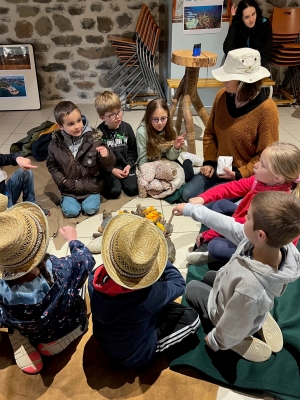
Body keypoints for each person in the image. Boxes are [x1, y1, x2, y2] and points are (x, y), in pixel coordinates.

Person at [173, 191, 300, 362]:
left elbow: (233, 321)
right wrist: (190, 210)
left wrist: (216, 340)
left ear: (261, 235)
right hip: (243, 295)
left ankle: (236, 339)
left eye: (247, 218)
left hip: (232, 315)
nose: (242, 221)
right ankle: (259, 316)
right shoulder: (275, 246)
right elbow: (226, 224)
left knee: (192, 288)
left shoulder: (250, 288)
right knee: (212, 276)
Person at [88, 213, 200, 368]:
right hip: (134, 355)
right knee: (192, 319)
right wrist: (160, 260)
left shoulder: (94, 277)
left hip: (107, 339)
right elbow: (179, 284)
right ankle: (149, 351)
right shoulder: (151, 295)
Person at [0, 194, 95, 374]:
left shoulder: (2, 289)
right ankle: (56, 342)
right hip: (61, 327)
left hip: (27, 328)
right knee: (82, 287)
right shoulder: (61, 270)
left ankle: (19, 336)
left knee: (10, 318)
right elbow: (86, 261)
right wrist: (73, 240)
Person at [181, 48, 279, 202]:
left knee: (208, 204)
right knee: (187, 194)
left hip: (241, 175)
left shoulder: (267, 109)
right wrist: (208, 162)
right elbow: (210, 133)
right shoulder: (221, 96)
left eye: (229, 77)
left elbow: (266, 155)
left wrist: (240, 173)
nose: (223, 80)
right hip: (217, 167)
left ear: (244, 82)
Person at [186, 142, 300, 265]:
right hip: (248, 223)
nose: (255, 165)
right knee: (220, 204)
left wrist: (210, 234)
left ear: (277, 178)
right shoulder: (260, 180)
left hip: (257, 243)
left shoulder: (273, 204)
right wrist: (203, 198)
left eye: (262, 165)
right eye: (259, 160)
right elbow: (231, 187)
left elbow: (243, 225)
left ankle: (221, 252)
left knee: (215, 245)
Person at [47, 101, 115, 218]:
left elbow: (109, 164)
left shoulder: (94, 139)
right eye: (71, 124)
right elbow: (52, 165)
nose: (78, 126)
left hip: (91, 187)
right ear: (60, 126)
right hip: (69, 188)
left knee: (90, 209)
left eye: (79, 120)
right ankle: (67, 200)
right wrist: (62, 181)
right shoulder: (54, 145)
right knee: (71, 212)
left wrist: (107, 154)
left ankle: (93, 198)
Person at [136, 98, 202, 181]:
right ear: (149, 118)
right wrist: (147, 174)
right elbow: (143, 161)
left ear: (168, 117)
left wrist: (176, 147)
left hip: (167, 161)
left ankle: (188, 161)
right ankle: (192, 169)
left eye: (163, 118)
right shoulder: (142, 132)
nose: (160, 123)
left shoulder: (171, 129)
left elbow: (171, 157)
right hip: (151, 164)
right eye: (155, 119)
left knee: (187, 178)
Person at [94, 91, 138, 199]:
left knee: (133, 189)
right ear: (102, 117)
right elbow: (98, 159)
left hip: (126, 166)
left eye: (119, 111)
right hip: (109, 169)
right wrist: (111, 170)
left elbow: (133, 150)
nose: (118, 116)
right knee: (114, 191)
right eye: (112, 115)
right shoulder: (98, 133)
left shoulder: (127, 127)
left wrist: (129, 165)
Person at [223, 0, 272, 67]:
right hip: (239, 65)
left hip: (258, 65)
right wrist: (234, 23)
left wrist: (251, 67)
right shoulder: (238, 25)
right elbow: (227, 50)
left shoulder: (264, 24)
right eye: (247, 17)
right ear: (241, 18)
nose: (251, 20)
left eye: (253, 14)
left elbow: (266, 55)